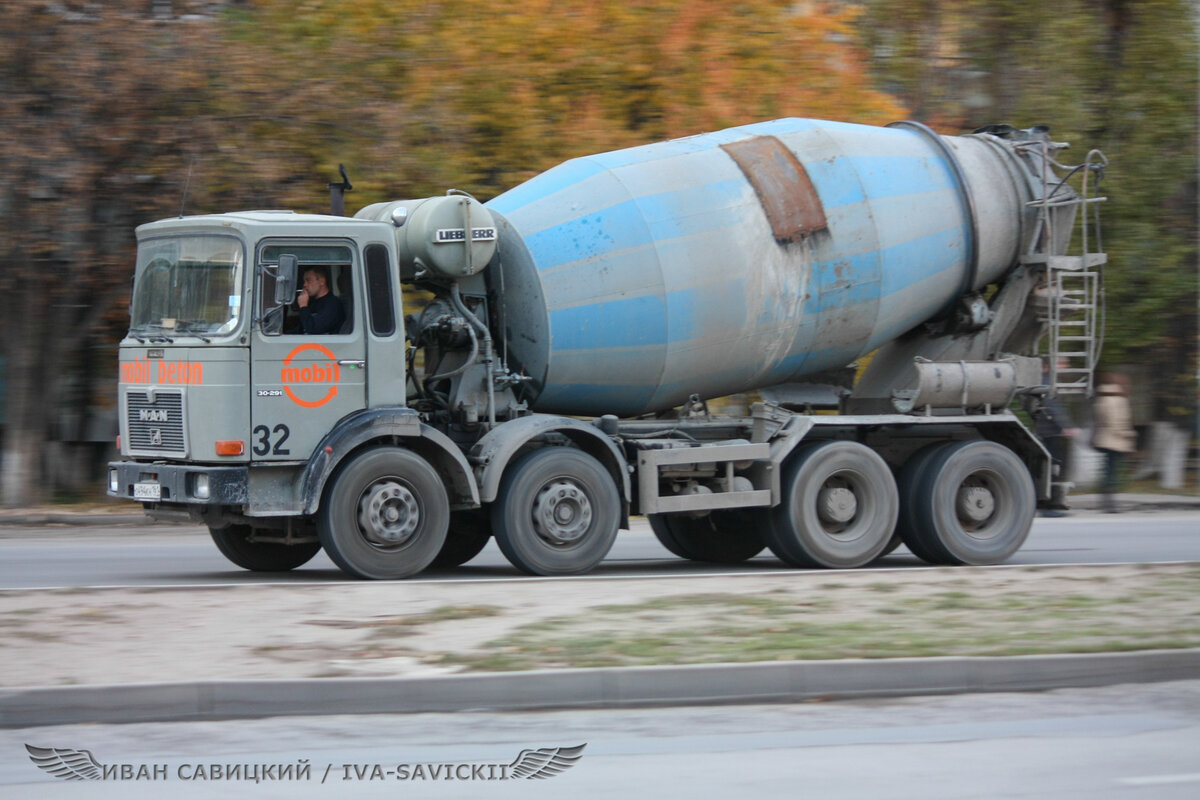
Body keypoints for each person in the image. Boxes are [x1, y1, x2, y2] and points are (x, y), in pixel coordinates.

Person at [1034, 361, 1079, 517]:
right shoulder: (1047, 383)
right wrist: (1065, 426)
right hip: (1052, 433)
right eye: (1060, 363)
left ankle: (1053, 503)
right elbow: (1052, 407)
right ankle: (1051, 506)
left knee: (1054, 469)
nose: (1064, 366)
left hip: (1050, 432)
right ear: (1048, 365)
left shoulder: (1047, 382)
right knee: (1055, 470)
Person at [1092, 373, 1136, 513]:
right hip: (1115, 441)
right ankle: (1110, 505)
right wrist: (1128, 434)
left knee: (1107, 471)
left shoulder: (1102, 398)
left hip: (1105, 440)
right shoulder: (1117, 400)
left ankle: (1106, 503)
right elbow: (1115, 423)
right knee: (1111, 473)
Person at [297, 265, 346, 335]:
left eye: (308, 280)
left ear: (322, 281)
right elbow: (302, 329)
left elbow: (313, 330)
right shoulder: (313, 303)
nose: (305, 285)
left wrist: (303, 306)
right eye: (304, 281)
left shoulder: (332, 305)